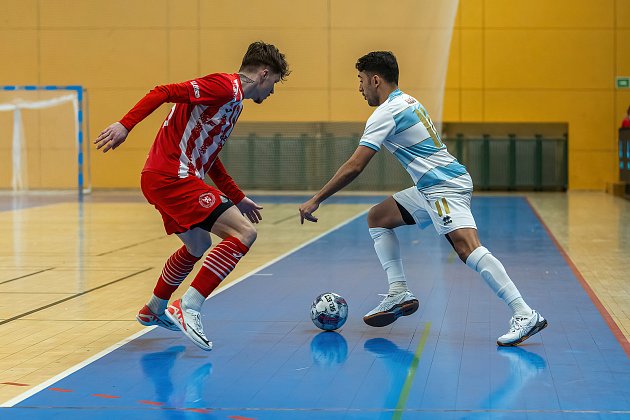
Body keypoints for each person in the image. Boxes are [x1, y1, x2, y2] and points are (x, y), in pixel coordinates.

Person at [298, 51, 547, 347]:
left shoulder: (385, 112)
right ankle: (399, 291)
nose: (360, 88)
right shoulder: (408, 101)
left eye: (361, 80)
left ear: (376, 80)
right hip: (433, 186)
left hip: (441, 186)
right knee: (378, 217)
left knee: (467, 248)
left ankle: (524, 312)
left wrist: (316, 198)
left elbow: (355, 165)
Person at [94, 41, 290, 351]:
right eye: (275, 84)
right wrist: (125, 124)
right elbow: (163, 91)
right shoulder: (224, 86)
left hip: (164, 178)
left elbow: (210, 158)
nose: (272, 92)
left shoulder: (234, 103)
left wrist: (237, 198)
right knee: (244, 233)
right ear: (265, 74)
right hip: (172, 176)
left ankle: (154, 308)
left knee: (198, 244)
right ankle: (190, 306)